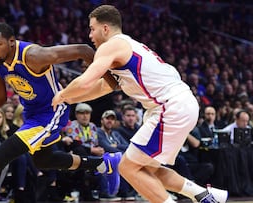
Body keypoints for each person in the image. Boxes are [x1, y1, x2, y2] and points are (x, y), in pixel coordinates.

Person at [52, 5, 228, 203]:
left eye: (92, 28)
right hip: (176, 103)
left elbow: (87, 80)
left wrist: (61, 94)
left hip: (169, 105)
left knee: (127, 167)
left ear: (105, 28)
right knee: (146, 168)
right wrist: (69, 98)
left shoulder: (112, 45)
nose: (90, 34)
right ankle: (204, 195)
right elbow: (102, 87)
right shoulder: (126, 49)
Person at [0, 22, 121, 202]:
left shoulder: (34, 56)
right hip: (30, 113)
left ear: (11, 42)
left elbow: (83, 50)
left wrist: (110, 79)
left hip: (51, 111)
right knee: (44, 160)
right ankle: (103, 164)